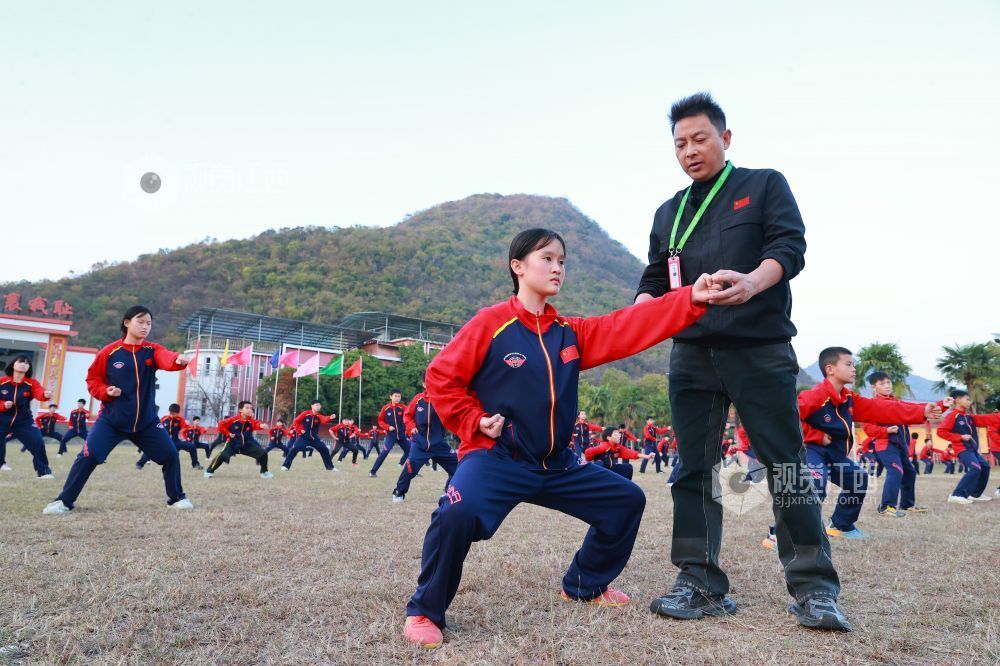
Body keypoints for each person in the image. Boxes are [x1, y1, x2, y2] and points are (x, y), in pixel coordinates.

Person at [401, 228, 712, 649]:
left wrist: (690, 297)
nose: (557, 267)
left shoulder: (570, 332)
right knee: (456, 513)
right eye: (546, 258)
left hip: (557, 462)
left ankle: (583, 584)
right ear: (518, 266)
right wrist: (474, 421)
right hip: (498, 457)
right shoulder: (491, 323)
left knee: (626, 500)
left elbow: (628, 324)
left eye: (562, 261)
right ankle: (425, 611)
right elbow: (441, 376)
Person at [635, 92, 849, 630]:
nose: (689, 150)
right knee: (692, 471)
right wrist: (640, 314)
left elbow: (790, 246)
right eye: (679, 143)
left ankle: (814, 590)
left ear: (725, 139)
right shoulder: (669, 211)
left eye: (700, 138)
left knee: (787, 466)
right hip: (692, 355)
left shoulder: (763, 185)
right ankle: (698, 582)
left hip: (759, 349)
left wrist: (754, 281)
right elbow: (656, 279)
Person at [43, 306, 192, 514]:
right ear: (127, 323)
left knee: (170, 454)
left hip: (146, 422)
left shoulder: (152, 350)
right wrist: (106, 391)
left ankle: (176, 498)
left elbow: (166, 358)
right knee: (89, 456)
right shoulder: (109, 352)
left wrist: (177, 360)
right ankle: (64, 501)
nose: (145, 327)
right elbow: (93, 380)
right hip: (111, 421)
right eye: (140, 321)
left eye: (149, 323)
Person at [796, 349, 938, 540]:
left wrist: (922, 410)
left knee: (858, 478)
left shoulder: (849, 398)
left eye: (853, 364)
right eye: (848, 364)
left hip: (834, 454)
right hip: (811, 450)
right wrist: (816, 435)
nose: (854, 369)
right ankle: (782, 534)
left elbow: (884, 408)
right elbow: (788, 421)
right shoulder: (813, 396)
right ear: (830, 369)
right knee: (815, 485)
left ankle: (841, 525)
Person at [861, 372, 943, 516]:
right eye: (882, 384)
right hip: (886, 446)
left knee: (910, 473)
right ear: (873, 387)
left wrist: (942, 405)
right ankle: (886, 507)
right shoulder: (871, 405)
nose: (887, 386)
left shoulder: (896, 403)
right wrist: (885, 430)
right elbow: (868, 428)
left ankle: (906, 505)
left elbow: (918, 408)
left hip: (901, 447)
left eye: (888, 382)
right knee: (896, 471)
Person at [392, 379, 459, 503]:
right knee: (410, 467)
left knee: (459, 467)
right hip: (420, 443)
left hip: (439, 444)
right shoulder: (418, 399)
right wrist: (411, 427)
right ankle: (399, 492)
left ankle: (448, 492)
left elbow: (453, 416)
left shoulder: (443, 399)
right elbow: (407, 415)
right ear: (424, 384)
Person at [937, 390, 1000, 504]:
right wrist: (960, 437)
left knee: (985, 466)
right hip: (962, 449)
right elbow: (940, 431)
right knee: (975, 469)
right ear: (957, 400)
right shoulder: (952, 416)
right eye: (967, 399)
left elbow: (986, 419)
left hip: (972, 449)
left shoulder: (968, 417)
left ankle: (975, 494)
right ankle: (956, 495)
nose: (969, 402)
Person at [0, 355, 55, 478]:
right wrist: (3, 405)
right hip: (2, 419)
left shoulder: (31, 383)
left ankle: (44, 471)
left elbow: (39, 392)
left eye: (26, 363)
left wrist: (45, 394)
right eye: (20, 362)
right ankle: (1, 464)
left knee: (38, 441)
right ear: (13, 364)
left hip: (23, 420)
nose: (23, 364)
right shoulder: (2, 381)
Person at [205, 401, 271, 478]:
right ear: (240, 410)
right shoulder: (233, 420)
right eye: (247, 408)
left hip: (246, 444)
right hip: (233, 443)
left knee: (263, 453)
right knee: (222, 455)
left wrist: (262, 425)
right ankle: (209, 471)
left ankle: (264, 472)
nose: (249, 410)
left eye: (250, 408)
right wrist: (228, 433)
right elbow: (221, 425)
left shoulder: (251, 420)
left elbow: (256, 424)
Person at [281, 401, 337, 471]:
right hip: (303, 437)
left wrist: (330, 417)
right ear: (312, 406)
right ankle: (285, 466)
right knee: (294, 449)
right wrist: (300, 431)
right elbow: (296, 421)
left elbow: (324, 419)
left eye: (319, 406)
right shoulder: (305, 413)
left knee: (324, 449)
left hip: (314, 438)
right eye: (316, 405)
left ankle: (330, 467)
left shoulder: (318, 416)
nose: (318, 407)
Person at [584, 427, 654, 480]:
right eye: (616, 434)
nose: (619, 436)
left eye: (619, 434)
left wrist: (647, 456)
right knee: (599, 464)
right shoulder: (604, 446)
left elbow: (630, 452)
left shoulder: (618, 447)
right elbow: (588, 452)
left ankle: (626, 486)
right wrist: (591, 462)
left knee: (628, 467)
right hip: (601, 472)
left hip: (611, 469)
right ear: (609, 438)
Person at [369, 390, 411, 477]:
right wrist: (388, 427)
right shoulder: (385, 408)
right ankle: (372, 472)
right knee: (384, 453)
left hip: (402, 436)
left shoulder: (403, 407)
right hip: (391, 436)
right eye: (395, 396)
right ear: (391, 397)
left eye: (399, 396)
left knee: (411, 452)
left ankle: (413, 471)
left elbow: (409, 417)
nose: (397, 398)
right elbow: (380, 421)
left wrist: (408, 429)